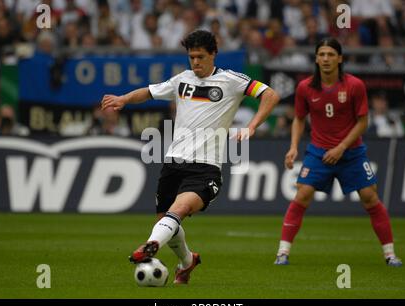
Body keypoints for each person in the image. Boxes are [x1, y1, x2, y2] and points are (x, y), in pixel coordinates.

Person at [101, 30, 280, 284]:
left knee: (180, 209)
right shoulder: (182, 80)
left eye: (200, 57)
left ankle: (151, 244)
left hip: (206, 167)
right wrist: (123, 99)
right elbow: (150, 92)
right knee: (167, 221)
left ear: (213, 55)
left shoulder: (231, 80)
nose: (195, 62)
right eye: (191, 57)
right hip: (173, 163)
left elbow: (270, 95)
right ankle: (187, 261)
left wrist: (252, 126)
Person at [274, 37, 402, 267]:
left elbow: (363, 122)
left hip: (351, 153)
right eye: (321, 54)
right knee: (302, 194)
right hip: (319, 153)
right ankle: (282, 253)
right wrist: (293, 147)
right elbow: (299, 119)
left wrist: (341, 147)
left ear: (340, 58)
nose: (326, 59)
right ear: (316, 58)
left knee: (370, 197)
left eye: (331, 55)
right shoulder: (305, 87)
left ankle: (390, 254)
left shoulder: (354, 85)